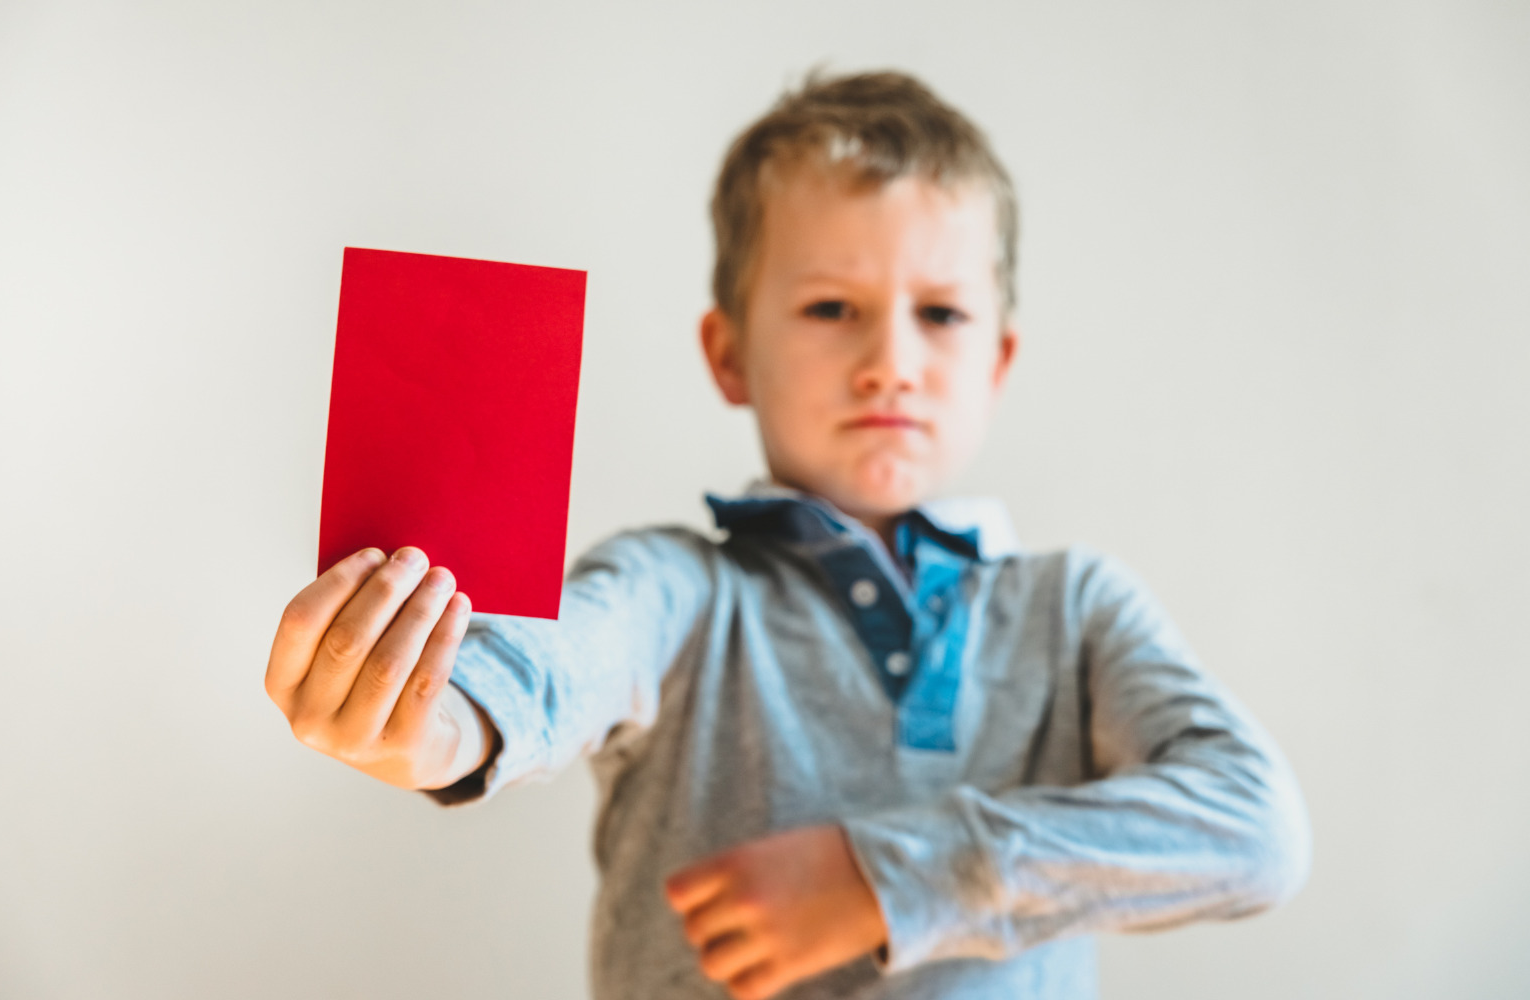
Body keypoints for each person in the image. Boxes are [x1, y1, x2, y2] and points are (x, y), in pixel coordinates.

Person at [263, 70, 1311, 1000]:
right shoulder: (672, 587)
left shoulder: (1074, 610)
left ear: (998, 358)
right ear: (728, 355)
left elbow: (1253, 831)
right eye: (828, 307)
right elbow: (543, 674)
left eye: (940, 313)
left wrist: (886, 877)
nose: (889, 360)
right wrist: (427, 725)